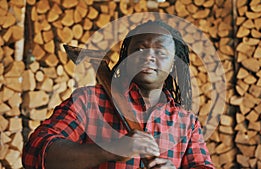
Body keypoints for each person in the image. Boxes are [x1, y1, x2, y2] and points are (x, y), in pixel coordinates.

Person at [22, 20, 215, 169]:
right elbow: (34, 152)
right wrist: (109, 149)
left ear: (173, 63)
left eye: (161, 52)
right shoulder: (89, 102)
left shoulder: (187, 123)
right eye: (139, 49)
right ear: (126, 57)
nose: (148, 56)